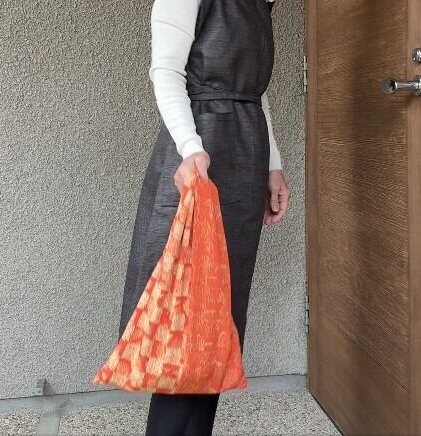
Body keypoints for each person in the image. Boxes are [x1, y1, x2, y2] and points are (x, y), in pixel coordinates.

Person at [119, 0, 290, 434]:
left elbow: (255, 93)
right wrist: (191, 147)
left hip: (245, 152)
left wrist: (273, 165)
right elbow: (166, 70)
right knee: (187, 312)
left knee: (219, 316)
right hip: (199, 153)